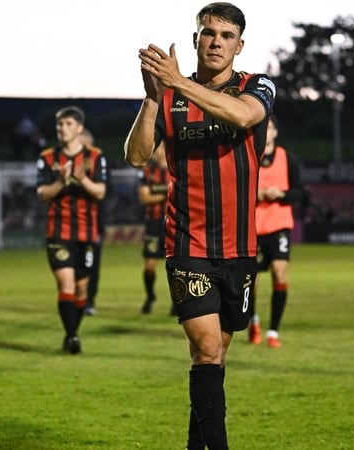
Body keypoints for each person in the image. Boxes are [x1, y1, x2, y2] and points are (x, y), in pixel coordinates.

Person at [124, 3, 275, 448]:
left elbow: (246, 117)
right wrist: (153, 97)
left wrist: (178, 83)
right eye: (208, 33)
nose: (215, 41)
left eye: (226, 36)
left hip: (240, 247)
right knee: (206, 349)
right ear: (195, 39)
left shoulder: (256, 86)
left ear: (239, 45)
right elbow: (135, 156)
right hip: (187, 242)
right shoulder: (168, 96)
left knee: (215, 355)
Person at [37, 106, 107, 354]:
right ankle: (72, 336)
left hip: (86, 234)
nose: (62, 129)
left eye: (67, 124)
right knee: (65, 283)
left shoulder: (96, 157)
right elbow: (42, 194)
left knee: (81, 289)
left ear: (79, 128)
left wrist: (81, 178)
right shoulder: (47, 158)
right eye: (59, 125)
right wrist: (60, 181)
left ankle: (72, 334)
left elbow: (100, 192)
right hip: (58, 232)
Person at [249, 115, 302, 348]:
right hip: (254, 228)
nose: (266, 131)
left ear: (275, 133)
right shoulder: (249, 156)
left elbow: (299, 193)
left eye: (269, 127)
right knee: (252, 282)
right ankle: (253, 322)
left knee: (280, 274)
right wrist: (256, 195)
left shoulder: (287, 158)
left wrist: (281, 193)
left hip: (279, 227)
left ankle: (273, 332)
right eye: (262, 127)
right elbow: (236, 191)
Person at [137, 145, 170, 315]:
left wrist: (156, 195)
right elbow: (144, 197)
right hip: (153, 223)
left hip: (173, 222)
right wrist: (168, 193)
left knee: (175, 265)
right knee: (149, 266)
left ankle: (177, 301)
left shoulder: (176, 167)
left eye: (159, 148)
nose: (156, 151)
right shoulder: (147, 171)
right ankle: (150, 295)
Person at [80, 129, 103, 316]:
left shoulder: (99, 163)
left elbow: (102, 192)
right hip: (69, 224)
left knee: (91, 264)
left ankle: (89, 301)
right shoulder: (66, 161)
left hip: (93, 223)